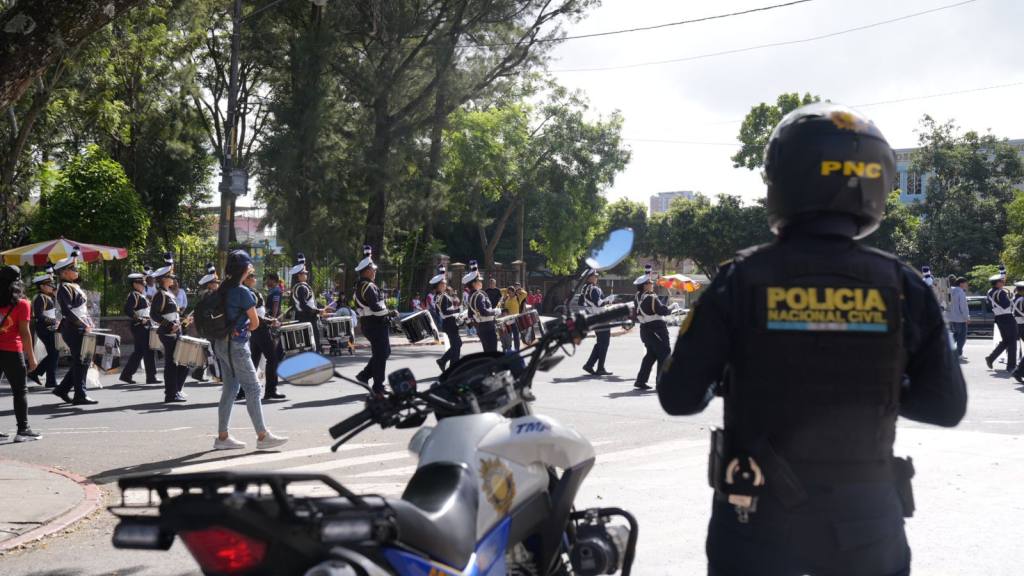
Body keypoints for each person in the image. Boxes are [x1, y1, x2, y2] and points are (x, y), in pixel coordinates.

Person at [657, 103, 967, 576]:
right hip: (867, 525)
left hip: (756, 519)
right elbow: (945, 406)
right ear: (875, 183)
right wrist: (870, 387)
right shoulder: (902, 285)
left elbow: (679, 397)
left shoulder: (739, 280)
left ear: (783, 180)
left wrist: (739, 379)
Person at [210, 250, 287, 451]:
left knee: (230, 389)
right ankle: (262, 436)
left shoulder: (222, 289)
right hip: (237, 345)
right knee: (253, 388)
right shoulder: (243, 292)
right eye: (250, 265)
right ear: (244, 269)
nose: (251, 268)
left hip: (220, 344)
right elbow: (255, 323)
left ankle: (222, 437)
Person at [52, 247, 98, 405]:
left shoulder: (72, 286)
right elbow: (67, 311)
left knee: (82, 360)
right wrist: (83, 324)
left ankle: (62, 389)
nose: (77, 270)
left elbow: (81, 310)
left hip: (79, 326)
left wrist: (88, 322)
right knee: (81, 361)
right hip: (73, 328)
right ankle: (80, 395)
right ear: (64, 273)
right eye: (73, 269)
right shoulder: (64, 288)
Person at [0, 266, 40, 442]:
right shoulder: (22, 303)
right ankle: (23, 430)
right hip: (12, 351)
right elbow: (25, 332)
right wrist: (31, 357)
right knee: (19, 391)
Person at [353, 245, 392, 395]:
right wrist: (390, 312)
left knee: (383, 353)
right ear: (367, 271)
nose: (375, 272)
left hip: (370, 324)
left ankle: (364, 375)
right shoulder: (368, 287)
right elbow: (375, 307)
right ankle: (378, 386)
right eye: (373, 270)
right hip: (375, 324)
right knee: (381, 355)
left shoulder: (361, 286)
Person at [150, 260, 189, 403]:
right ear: (164, 279)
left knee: (180, 362)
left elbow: (172, 315)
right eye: (170, 276)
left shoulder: (168, 293)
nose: (173, 279)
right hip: (167, 333)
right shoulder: (160, 294)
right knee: (172, 363)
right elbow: (154, 315)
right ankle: (171, 394)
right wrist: (169, 325)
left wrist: (184, 320)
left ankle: (175, 390)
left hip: (175, 331)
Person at [246, 271, 284, 401]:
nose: (254, 278)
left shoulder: (251, 291)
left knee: (254, 360)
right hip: (261, 328)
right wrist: (270, 320)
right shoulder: (249, 292)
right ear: (245, 279)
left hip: (258, 328)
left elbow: (260, 313)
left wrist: (269, 318)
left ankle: (243, 391)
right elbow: (255, 315)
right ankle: (270, 391)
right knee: (273, 358)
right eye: (251, 276)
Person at [118, 271, 160, 385]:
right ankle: (151, 377)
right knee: (148, 351)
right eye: (142, 282)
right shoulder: (134, 295)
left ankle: (126, 375)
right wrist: (140, 319)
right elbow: (128, 310)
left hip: (144, 326)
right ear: (135, 284)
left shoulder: (140, 295)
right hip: (140, 326)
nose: (144, 284)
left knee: (139, 353)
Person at [633, 265, 671, 391]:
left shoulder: (638, 297)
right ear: (644, 286)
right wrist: (671, 308)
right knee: (664, 354)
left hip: (645, 330)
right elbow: (661, 311)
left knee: (651, 355)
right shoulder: (651, 297)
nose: (652, 284)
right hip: (657, 330)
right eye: (650, 283)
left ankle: (641, 381)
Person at [26, 267, 58, 388]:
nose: (52, 286)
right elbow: (39, 316)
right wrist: (54, 321)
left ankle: (38, 374)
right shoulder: (40, 297)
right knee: (53, 354)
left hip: (50, 328)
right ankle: (50, 380)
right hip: (45, 329)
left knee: (53, 354)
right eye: (49, 285)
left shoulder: (47, 296)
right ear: (42, 286)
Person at [289, 253, 326, 352]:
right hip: (307, 317)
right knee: (313, 342)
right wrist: (317, 311)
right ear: (299, 275)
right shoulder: (301, 287)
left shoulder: (301, 286)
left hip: (306, 316)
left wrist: (320, 307)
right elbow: (303, 305)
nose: (306, 274)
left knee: (310, 342)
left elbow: (310, 302)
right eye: (304, 273)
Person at [579, 268, 612, 376]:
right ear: (590, 278)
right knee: (604, 343)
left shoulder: (585, 288)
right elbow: (599, 304)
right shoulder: (593, 289)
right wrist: (609, 300)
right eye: (595, 276)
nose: (597, 277)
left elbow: (582, 303)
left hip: (594, 317)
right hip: (601, 318)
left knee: (600, 343)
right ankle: (600, 368)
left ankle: (589, 365)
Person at [190, 265, 220, 383]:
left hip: (209, 328)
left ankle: (198, 373)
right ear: (209, 284)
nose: (217, 284)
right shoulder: (208, 296)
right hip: (209, 328)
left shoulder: (210, 295)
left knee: (209, 351)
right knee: (213, 353)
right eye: (215, 282)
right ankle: (218, 376)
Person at [431, 266, 462, 372]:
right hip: (450, 323)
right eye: (443, 283)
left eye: (445, 283)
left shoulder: (441, 296)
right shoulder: (442, 296)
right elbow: (444, 312)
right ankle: (453, 368)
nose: (445, 285)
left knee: (457, 344)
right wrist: (457, 310)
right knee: (456, 345)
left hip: (449, 322)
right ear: (438, 286)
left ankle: (443, 361)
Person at [985, 274, 1016, 373]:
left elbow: (989, 307)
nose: (1003, 283)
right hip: (1007, 317)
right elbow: (1006, 305)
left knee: (1006, 341)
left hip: (998, 318)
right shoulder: (1000, 292)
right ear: (997, 283)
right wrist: (1012, 298)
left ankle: (991, 358)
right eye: (1001, 281)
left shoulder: (989, 292)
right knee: (1012, 342)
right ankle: (1011, 366)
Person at [465, 261, 497, 353]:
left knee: (487, 352)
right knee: (492, 352)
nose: (481, 282)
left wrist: (477, 323)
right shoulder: (479, 295)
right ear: (473, 283)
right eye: (479, 281)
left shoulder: (471, 295)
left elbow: (470, 314)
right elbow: (484, 311)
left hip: (480, 327)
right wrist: (495, 311)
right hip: (488, 327)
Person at [500, 282, 529, 351]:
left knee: (516, 336)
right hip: (507, 320)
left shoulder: (518, 298)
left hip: (515, 320)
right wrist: (507, 289)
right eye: (508, 292)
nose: (509, 294)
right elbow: (500, 291)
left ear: (514, 292)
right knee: (508, 336)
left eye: (510, 292)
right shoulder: (506, 298)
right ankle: (509, 349)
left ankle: (517, 350)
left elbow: (525, 293)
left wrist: (518, 289)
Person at [946, 276, 970, 359]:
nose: (966, 285)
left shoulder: (950, 291)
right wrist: (967, 317)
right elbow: (963, 306)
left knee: (956, 335)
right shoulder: (960, 292)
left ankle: (946, 348)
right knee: (961, 337)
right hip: (960, 318)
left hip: (951, 317)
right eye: (965, 283)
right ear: (961, 284)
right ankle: (958, 353)